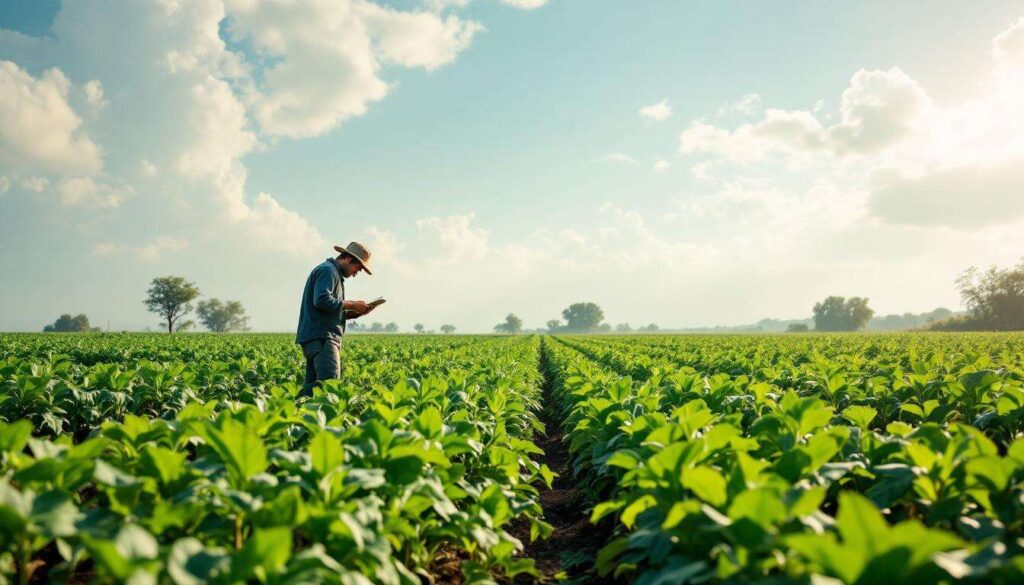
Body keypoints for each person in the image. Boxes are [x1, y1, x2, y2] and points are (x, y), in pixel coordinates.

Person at [295, 241, 376, 396]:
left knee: (314, 387)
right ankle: (286, 404)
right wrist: (352, 304)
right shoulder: (328, 271)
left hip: (317, 336)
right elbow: (322, 300)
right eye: (358, 268)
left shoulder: (332, 272)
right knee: (329, 385)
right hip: (323, 337)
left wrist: (353, 313)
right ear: (348, 258)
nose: (356, 273)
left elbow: (326, 309)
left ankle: (292, 408)